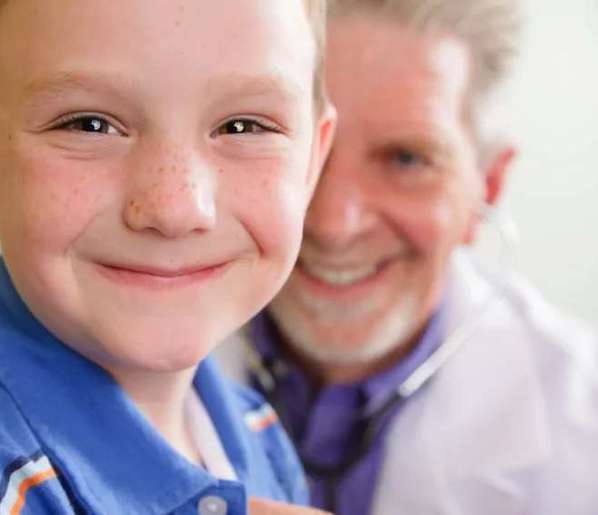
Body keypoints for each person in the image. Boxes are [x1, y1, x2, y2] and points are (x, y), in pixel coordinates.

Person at [0, 0, 337, 513]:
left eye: (244, 126)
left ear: (312, 161)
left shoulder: (257, 430)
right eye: (89, 125)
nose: (175, 209)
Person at [216, 0, 598, 513]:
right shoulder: (130, 354)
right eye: (300, 145)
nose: (333, 224)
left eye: (406, 159)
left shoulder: (584, 430)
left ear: (488, 184)